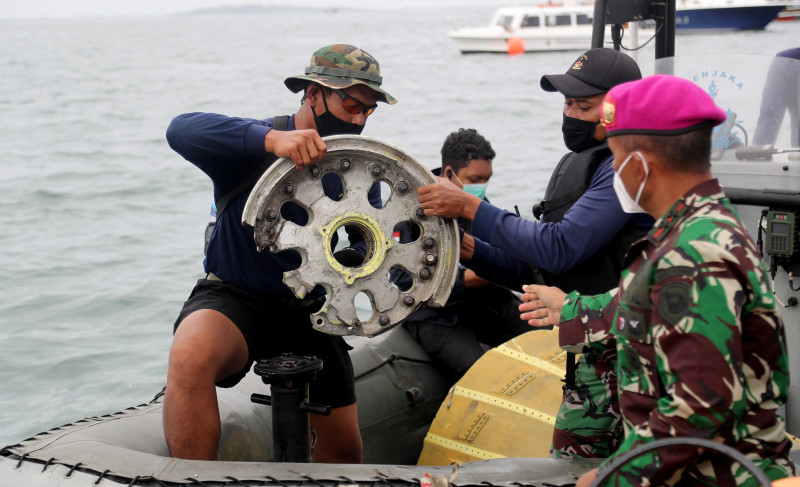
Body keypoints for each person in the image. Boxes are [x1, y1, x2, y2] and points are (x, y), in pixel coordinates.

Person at [520, 74, 796, 486]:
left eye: (615, 157)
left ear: (642, 162)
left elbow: (698, 406)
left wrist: (614, 479)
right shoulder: (690, 235)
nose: (614, 170)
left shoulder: (696, 252)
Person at [164, 44, 396, 462]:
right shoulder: (253, 145)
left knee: (344, 453)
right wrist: (271, 140)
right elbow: (180, 129)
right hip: (237, 298)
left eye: (368, 110)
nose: (359, 118)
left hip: (310, 309)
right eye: (350, 104)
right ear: (312, 94)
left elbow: (367, 238)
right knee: (190, 353)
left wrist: (358, 255)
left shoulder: (359, 169)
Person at [417, 48, 652, 459]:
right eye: (567, 103)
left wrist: (471, 207)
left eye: (585, 105)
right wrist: (470, 248)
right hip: (588, 348)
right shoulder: (583, 163)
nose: (571, 114)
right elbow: (538, 267)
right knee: (574, 462)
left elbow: (559, 249)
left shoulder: (627, 168)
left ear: (621, 108)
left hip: (630, 350)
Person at [397, 128, 531, 381]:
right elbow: (402, 280)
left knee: (549, 336)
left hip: (485, 304)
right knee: (485, 377)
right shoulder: (407, 211)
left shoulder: (480, 203)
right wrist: (466, 280)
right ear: (449, 173)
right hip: (438, 316)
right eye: (476, 178)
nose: (482, 186)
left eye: (487, 179)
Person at [753, 47, 800, 148]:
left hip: (782, 63)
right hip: (784, 63)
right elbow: (769, 116)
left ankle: (758, 156)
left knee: (769, 117)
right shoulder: (786, 60)